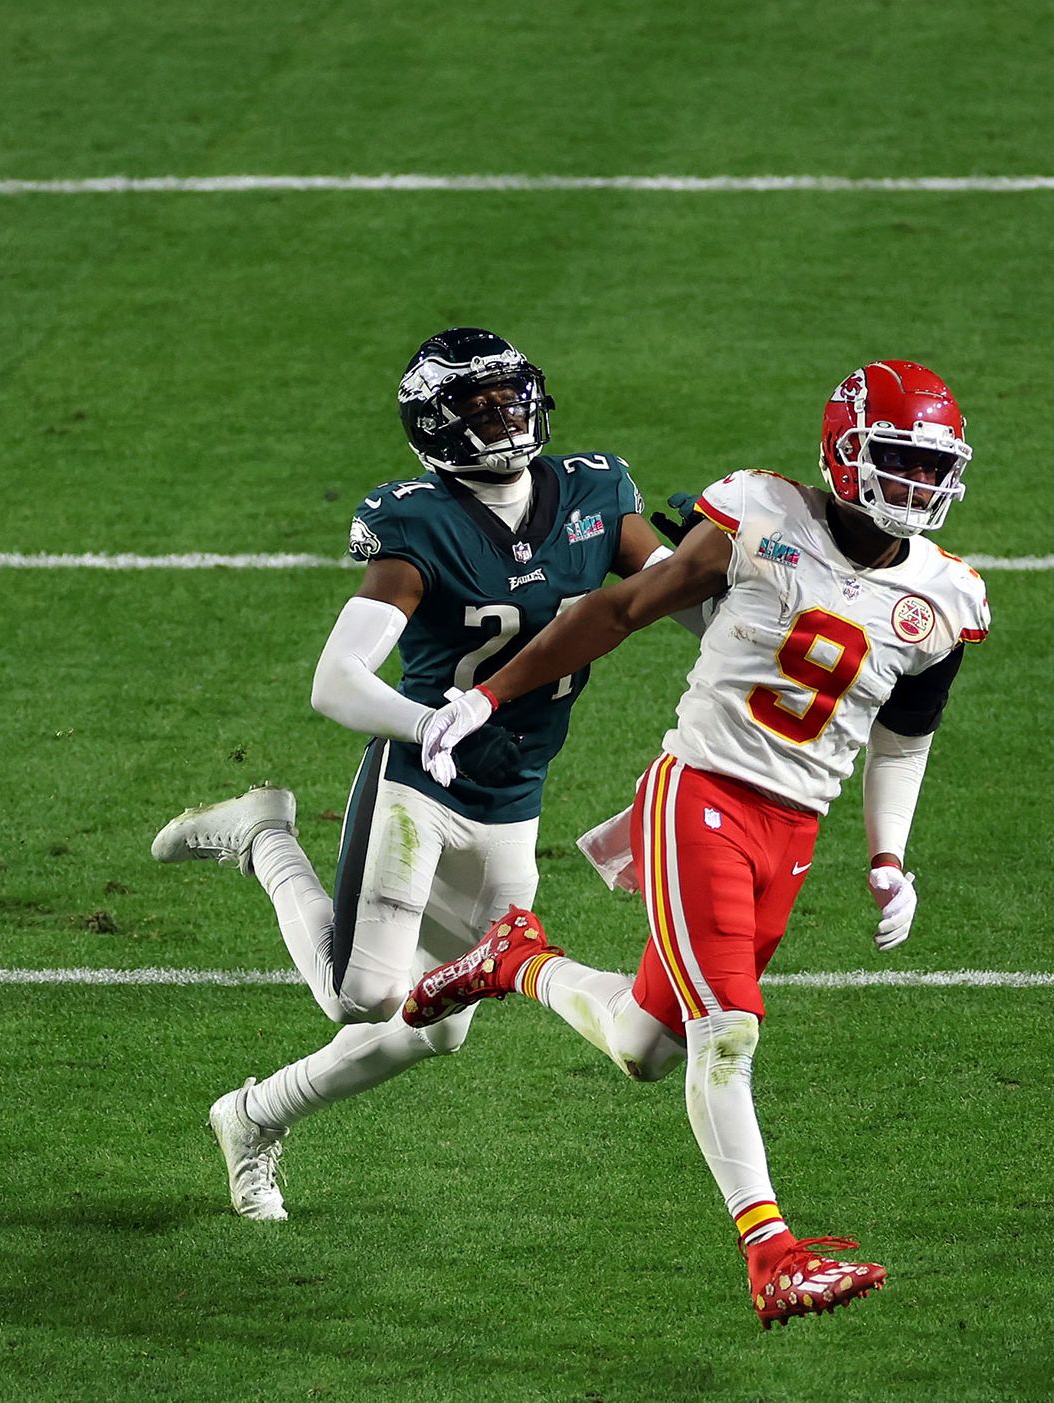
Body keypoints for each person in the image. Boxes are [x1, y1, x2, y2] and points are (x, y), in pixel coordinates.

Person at [401, 360, 991, 1328]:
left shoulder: (941, 598)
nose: (917, 486)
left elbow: (905, 735)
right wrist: (487, 692)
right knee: (728, 1031)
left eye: (932, 466)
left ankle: (514, 958)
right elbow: (622, 607)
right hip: (703, 795)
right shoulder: (760, 518)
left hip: (793, 830)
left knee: (643, 1044)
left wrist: (889, 853)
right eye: (897, 459)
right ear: (844, 452)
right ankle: (772, 1250)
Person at [149, 328, 690, 1222]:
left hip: (515, 797)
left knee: (436, 1026)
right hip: (422, 786)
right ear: (436, 427)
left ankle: (250, 1117)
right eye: (478, 406)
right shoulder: (418, 524)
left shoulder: (596, 492)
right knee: (360, 992)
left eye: (512, 397)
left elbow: (669, 590)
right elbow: (336, 680)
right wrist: (426, 719)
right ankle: (266, 837)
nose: (504, 417)